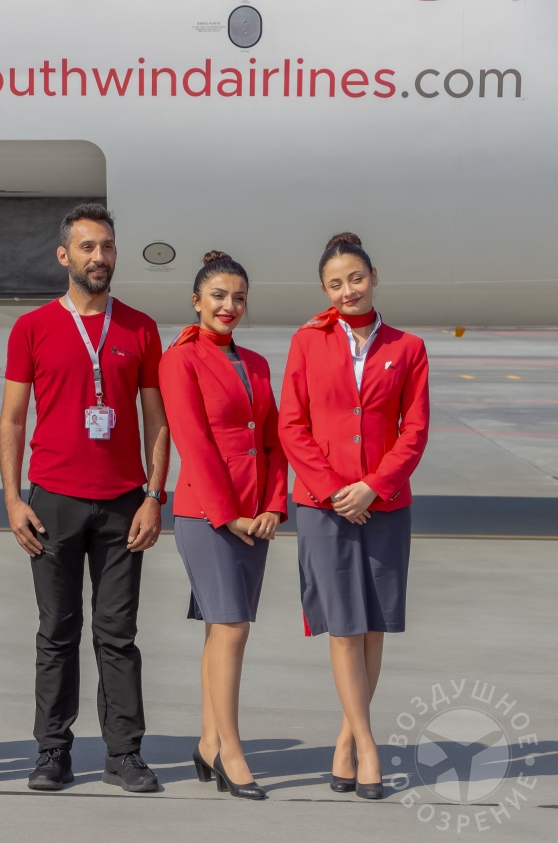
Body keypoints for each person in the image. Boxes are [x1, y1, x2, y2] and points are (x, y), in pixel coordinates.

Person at [0, 202, 169, 794]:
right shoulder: (33, 328)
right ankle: (52, 750)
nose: (100, 257)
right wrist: (13, 500)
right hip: (52, 503)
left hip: (123, 504)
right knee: (57, 631)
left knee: (118, 634)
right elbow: (12, 420)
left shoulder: (140, 328)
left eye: (108, 247)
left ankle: (124, 753)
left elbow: (156, 420)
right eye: (88, 247)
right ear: (63, 255)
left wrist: (154, 496)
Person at [279, 232, 430, 800]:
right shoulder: (307, 342)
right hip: (325, 507)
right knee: (343, 626)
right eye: (336, 284)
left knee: (373, 627)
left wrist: (374, 486)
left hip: (385, 505)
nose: (348, 290)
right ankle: (368, 746)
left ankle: (345, 740)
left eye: (356, 279)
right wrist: (337, 489)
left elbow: (414, 431)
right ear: (324, 289)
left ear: (374, 278)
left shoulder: (408, 347)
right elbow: (291, 425)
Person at [159, 252, 288, 801]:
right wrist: (227, 513)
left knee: (224, 630)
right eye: (218, 296)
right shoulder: (180, 359)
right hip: (208, 515)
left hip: (255, 516)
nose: (229, 306)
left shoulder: (255, 363)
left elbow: (273, 441)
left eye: (238, 297)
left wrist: (274, 506)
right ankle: (231, 750)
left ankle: (210, 741)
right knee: (230, 627)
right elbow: (192, 441)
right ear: (196, 301)